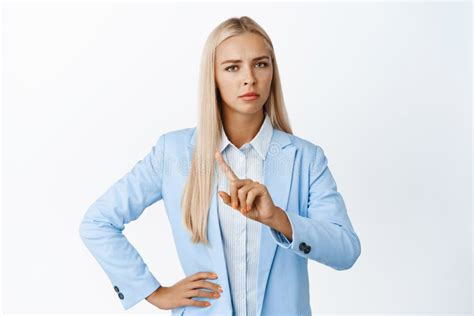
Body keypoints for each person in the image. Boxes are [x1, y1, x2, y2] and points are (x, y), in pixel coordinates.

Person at [79, 16, 361, 316]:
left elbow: (345, 250)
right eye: (232, 67)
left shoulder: (306, 158)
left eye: (261, 64)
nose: (249, 78)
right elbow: (97, 222)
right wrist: (152, 292)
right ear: (212, 76)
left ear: (272, 72)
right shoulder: (172, 153)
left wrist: (278, 218)